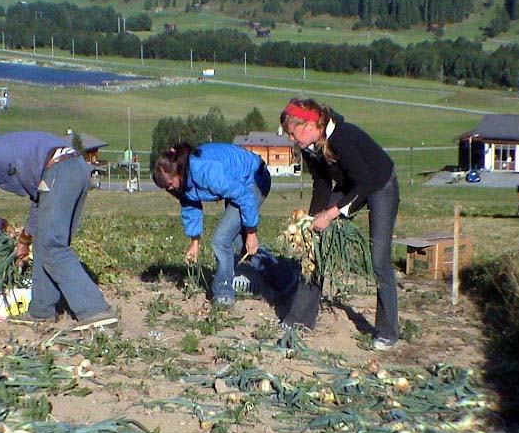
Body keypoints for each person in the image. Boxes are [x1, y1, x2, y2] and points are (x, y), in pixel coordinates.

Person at [0, 129, 117, 330]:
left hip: (59, 171)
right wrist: (24, 240)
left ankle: (95, 309)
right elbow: (41, 199)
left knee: (51, 246)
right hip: (77, 168)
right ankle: (41, 311)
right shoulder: (8, 147)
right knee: (45, 244)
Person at [279, 98, 400, 350]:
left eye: (292, 133)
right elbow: (322, 183)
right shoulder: (309, 146)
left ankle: (388, 330)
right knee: (314, 248)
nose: (291, 138)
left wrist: (331, 213)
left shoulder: (343, 138)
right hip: (350, 184)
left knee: (379, 258)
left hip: (379, 184)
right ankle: (300, 319)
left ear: (309, 126)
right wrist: (311, 222)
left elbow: (366, 183)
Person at [153, 141, 295, 308]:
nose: (170, 189)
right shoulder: (180, 182)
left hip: (254, 180)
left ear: (177, 171)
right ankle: (286, 279)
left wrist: (251, 232)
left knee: (221, 240)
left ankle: (223, 295)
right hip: (238, 185)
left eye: (170, 184)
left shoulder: (204, 170)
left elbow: (245, 196)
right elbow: (191, 206)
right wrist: (194, 242)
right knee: (239, 242)